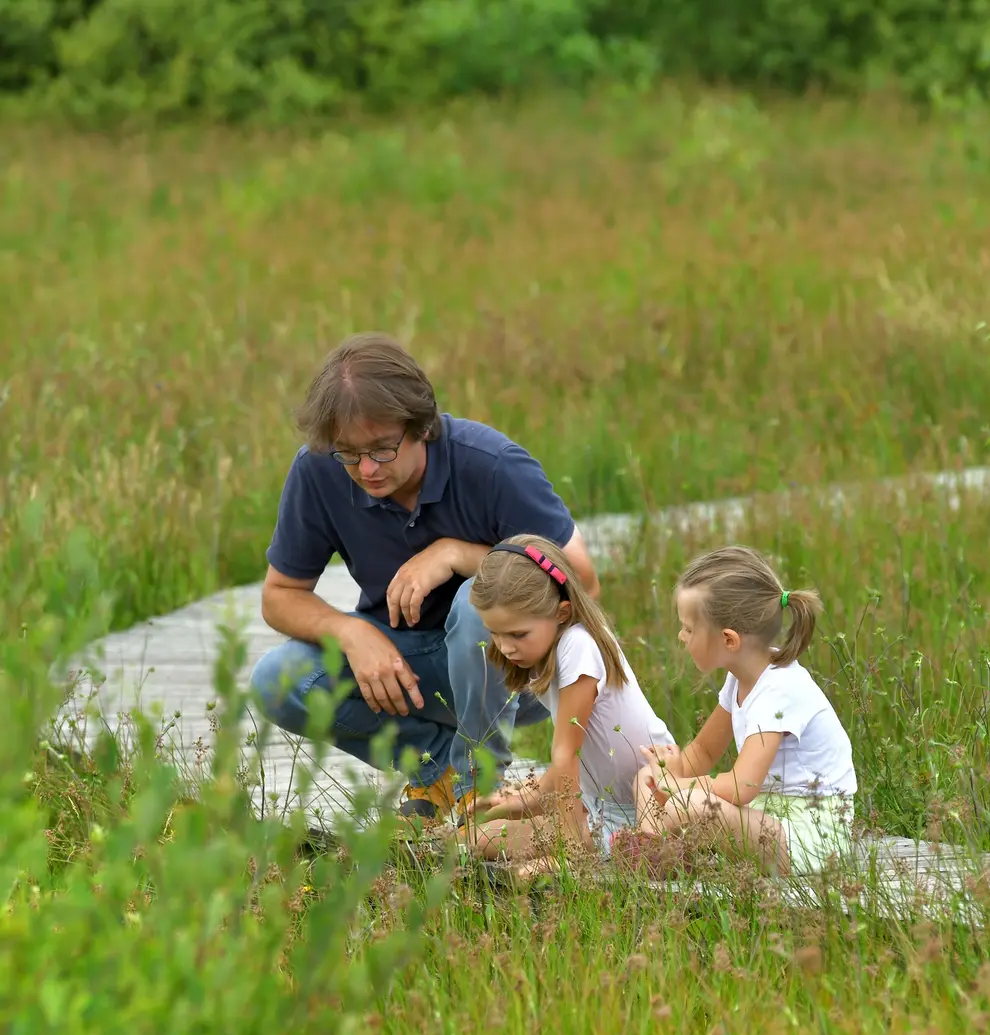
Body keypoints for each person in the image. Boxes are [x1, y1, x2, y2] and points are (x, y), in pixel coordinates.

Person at [248, 333, 600, 821]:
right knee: (277, 680)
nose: (366, 469)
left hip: (518, 673)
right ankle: (440, 773)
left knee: (476, 603)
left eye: (383, 449)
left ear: (422, 426)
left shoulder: (492, 465)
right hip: (410, 662)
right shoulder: (319, 470)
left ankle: (484, 790)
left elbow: (581, 578)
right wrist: (352, 633)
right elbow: (279, 596)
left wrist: (457, 554)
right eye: (349, 453)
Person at [634, 545, 856, 877]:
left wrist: (679, 787)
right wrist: (671, 768)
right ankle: (651, 852)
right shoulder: (740, 679)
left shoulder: (779, 691)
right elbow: (704, 751)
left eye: (689, 629)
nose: (681, 636)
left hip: (809, 836)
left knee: (692, 805)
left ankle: (663, 856)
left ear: (729, 640)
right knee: (646, 778)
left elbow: (742, 787)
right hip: (765, 815)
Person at [458, 532, 675, 869]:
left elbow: (565, 753)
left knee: (507, 852)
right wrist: (525, 798)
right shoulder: (547, 650)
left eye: (517, 634)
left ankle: (593, 845)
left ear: (562, 612)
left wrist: (568, 848)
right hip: (604, 810)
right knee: (475, 839)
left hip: (651, 807)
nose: (505, 647)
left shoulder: (577, 645)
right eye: (495, 633)